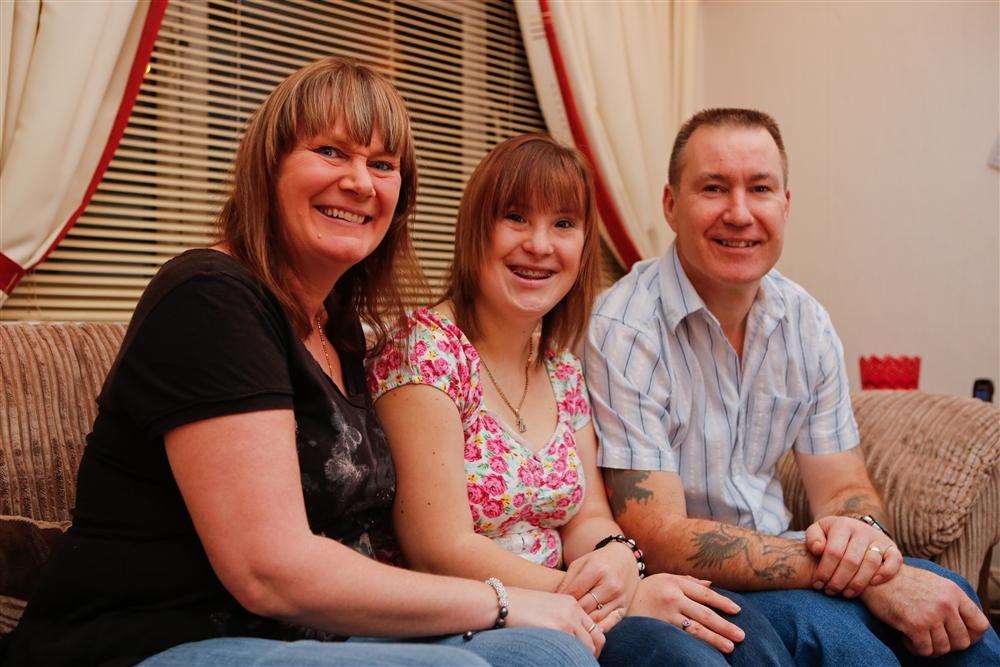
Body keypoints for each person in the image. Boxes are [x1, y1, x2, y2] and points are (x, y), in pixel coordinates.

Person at [1, 57, 602, 667]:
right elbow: (271, 572)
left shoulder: (335, 328)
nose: (361, 182)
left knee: (548, 655)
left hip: (306, 634)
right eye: (331, 152)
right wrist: (500, 601)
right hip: (154, 639)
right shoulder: (209, 299)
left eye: (383, 164)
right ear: (269, 169)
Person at [584, 107, 1000, 665]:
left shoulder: (804, 321)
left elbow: (843, 489)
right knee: (851, 649)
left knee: (960, 617)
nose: (739, 213)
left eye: (760, 188)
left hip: (791, 557)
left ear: (785, 203)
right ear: (670, 204)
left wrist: (863, 539)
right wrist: (867, 578)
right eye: (713, 188)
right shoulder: (625, 327)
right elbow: (658, 534)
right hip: (678, 587)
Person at [368, 133, 793, 666]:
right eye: (516, 218)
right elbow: (439, 549)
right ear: (474, 230)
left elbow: (587, 515)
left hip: (574, 603)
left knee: (737, 627)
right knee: (682, 655)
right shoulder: (425, 351)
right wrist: (612, 597)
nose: (541, 245)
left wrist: (618, 558)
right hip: (474, 619)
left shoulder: (561, 368)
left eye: (564, 224)